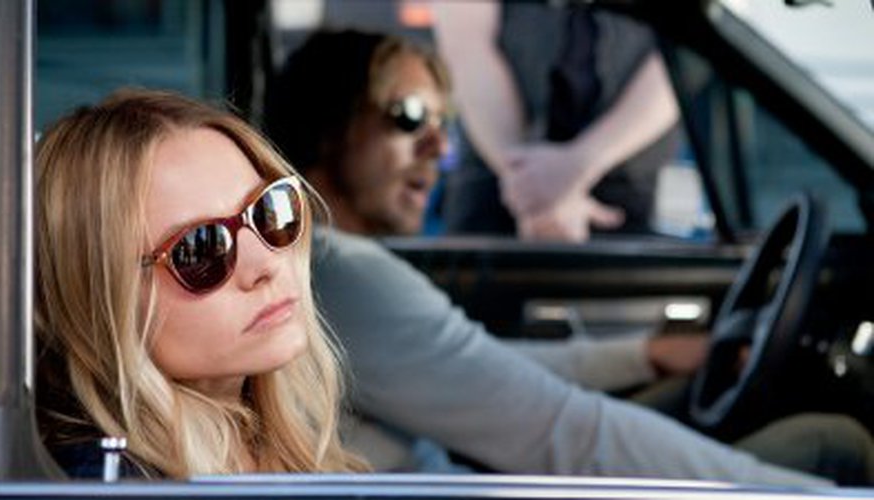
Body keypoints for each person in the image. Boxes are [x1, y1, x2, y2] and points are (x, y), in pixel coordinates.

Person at [265, 29, 874, 485]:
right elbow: (563, 431)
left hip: (465, 477)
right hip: (474, 484)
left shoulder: (336, 268)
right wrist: (806, 495)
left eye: (444, 123)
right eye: (410, 116)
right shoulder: (342, 272)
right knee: (835, 446)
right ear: (329, 125)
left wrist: (643, 354)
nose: (440, 145)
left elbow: (483, 365)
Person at [34, 89, 366, 479]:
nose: (264, 264)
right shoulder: (104, 482)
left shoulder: (267, 449)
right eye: (200, 248)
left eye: (268, 211)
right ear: (96, 300)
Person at [433, 2, 681, 241]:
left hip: (623, 178)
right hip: (496, 174)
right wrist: (529, 186)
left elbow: (682, 56)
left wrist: (579, 163)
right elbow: (467, 48)